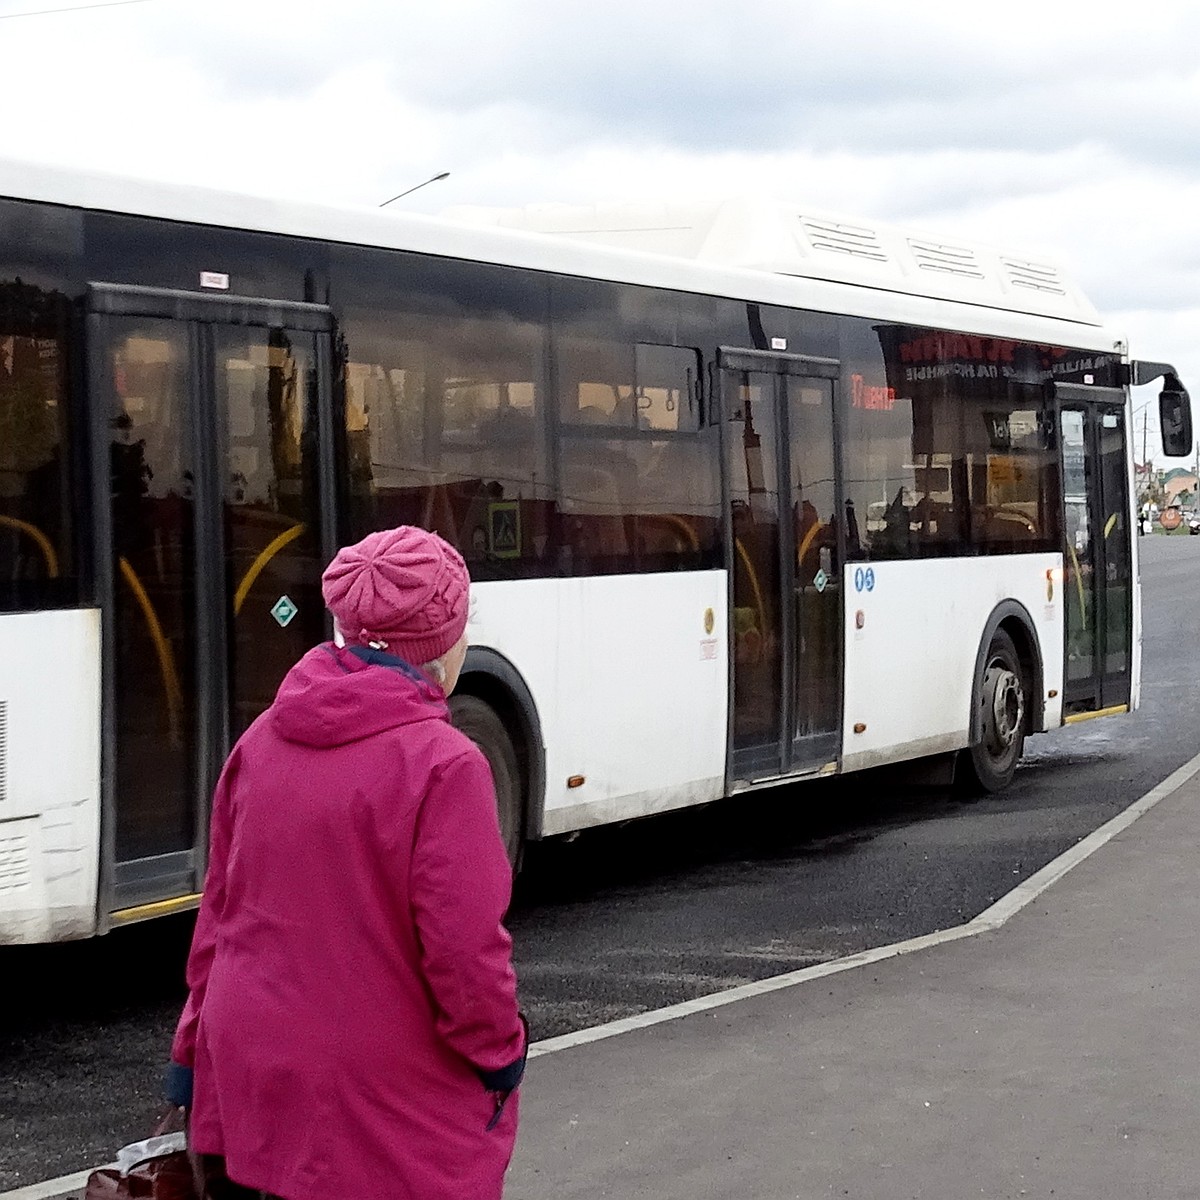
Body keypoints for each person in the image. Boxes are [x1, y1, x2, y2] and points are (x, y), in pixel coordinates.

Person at [164, 525, 527, 1200]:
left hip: (252, 1080)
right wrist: (501, 1057)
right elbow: (465, 957)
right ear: (443, 647)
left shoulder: (261, 741)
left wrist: (189, 1062)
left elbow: (217, 924)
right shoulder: (445, 767)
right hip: (378, 1104)